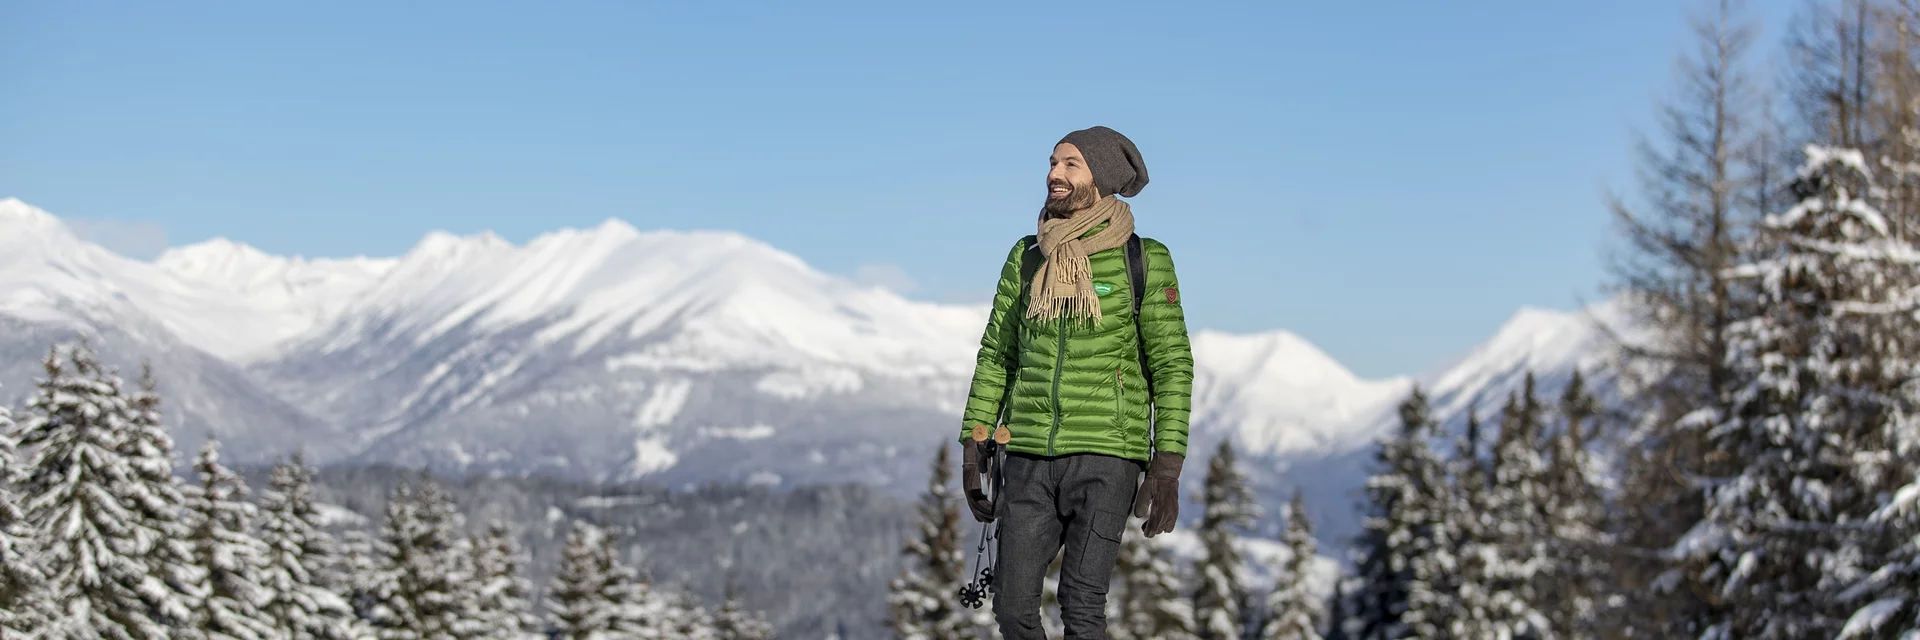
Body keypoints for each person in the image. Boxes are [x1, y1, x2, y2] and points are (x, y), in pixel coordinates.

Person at [958, 125, 1195, 639]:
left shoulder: (1144, 259)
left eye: (1070, 165)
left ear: (1101, 177)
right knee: (1012, 607)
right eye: (1052, 163)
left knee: (1082, 606)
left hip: (1108, 456)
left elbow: (1171, 365)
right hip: (1027, 454)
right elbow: (998, 354)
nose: (1053, 174)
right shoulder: (1026, 257)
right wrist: (974, 443)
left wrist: (1167, 464)